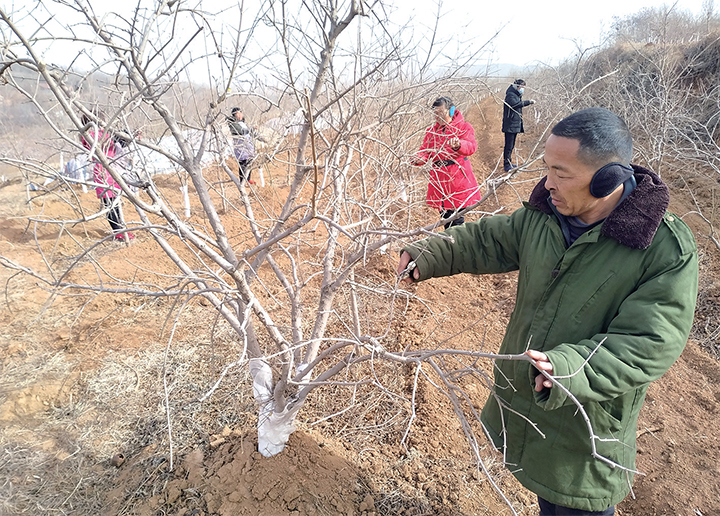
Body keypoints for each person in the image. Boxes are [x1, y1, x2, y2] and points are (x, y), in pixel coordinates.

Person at [398, 107, 698, 515]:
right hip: (530, 406)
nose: (548, 183)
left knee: (574, 505)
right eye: (546, 168)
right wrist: (429, 253)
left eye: (562, 173)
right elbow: (487, 240)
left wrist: (569, 369)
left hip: (585, 430)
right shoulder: (544, 216)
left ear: (608, 178)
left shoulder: (663, 249)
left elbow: (649, 341)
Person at [412, 96, 482, 229]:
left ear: (451, 111)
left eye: (440, 112)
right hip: (440, 180)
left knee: (457, 220)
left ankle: (456, 241)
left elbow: (471, 146)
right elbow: (425, 151)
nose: (437, 116)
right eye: (435, 113)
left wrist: (459, 145)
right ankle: (451, 240)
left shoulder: (463, 127)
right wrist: (416, 159)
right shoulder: (432, 132)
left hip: (457, 179)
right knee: (446, 219)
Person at [80, 110, 134, 242]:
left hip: (113, 170)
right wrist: (117, 134)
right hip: (103, 172)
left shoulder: (105, 133)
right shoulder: (90, 135)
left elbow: (118, 142)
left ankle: (121, 230)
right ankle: (118, 232)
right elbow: (105, 140)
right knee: (110, 204)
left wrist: (129, 135)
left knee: (115, 203)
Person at [502, 79, 536, 172]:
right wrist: (528, 102)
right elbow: (515, 105)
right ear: (517, 86)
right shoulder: (510, 95)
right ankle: (506, 165)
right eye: (522, 87)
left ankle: (509, 163)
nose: (522, 89)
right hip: (510, 125)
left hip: (514, 124)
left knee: (511, 145)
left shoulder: (516, 95)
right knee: (509, 146)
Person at [228, 107, 256, 184]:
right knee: (243, 163)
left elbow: (249, 133)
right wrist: (250, 130)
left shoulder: (243, 123)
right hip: (240, 147)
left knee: (249, 162)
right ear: (234, 115)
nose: (239, 115)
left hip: (248, 146)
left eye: (240, 113)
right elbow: (241, 131)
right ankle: (243, 181)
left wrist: (254, 131)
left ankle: (248, 179)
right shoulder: (233, 124)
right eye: (237, 113)